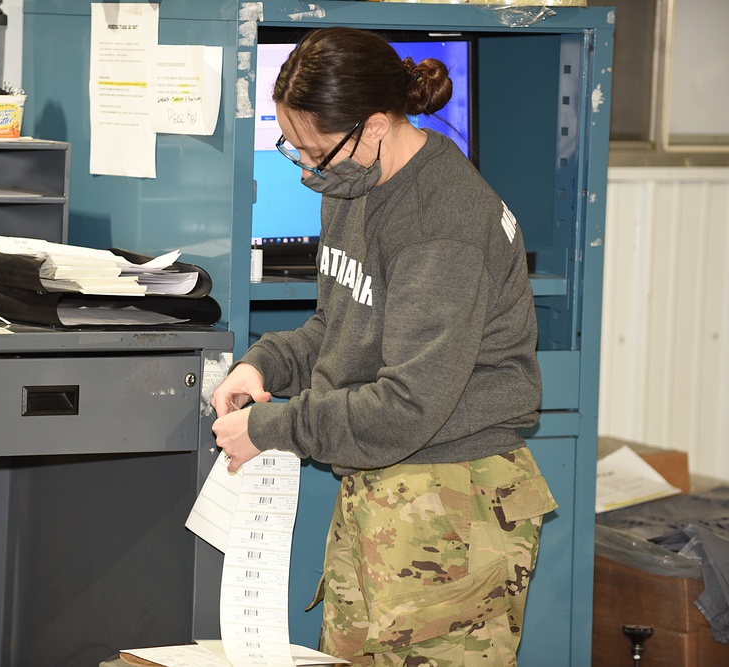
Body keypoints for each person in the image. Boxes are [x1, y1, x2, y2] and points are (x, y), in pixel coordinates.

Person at [211, 26, 558, 666]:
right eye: (292, 149)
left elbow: (406, 405)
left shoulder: (441, 223)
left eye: (316, 153)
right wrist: (266, 362)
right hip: (380, 481)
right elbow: (339, 326)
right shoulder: (356, 184)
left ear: (374, 126)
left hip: (453, 500)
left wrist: (272, 426)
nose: (308, 170)